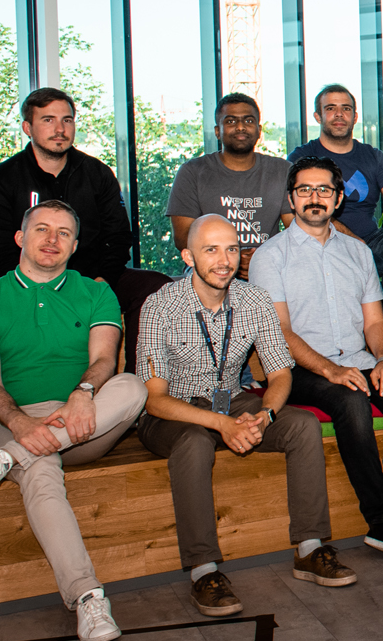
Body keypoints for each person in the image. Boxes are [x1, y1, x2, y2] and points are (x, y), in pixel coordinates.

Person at [136, 214, 354, 618]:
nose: (224, 261)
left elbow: (280, 373)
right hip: (174, 412)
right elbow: (154, 400)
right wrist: (221, 424)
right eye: (211, 250)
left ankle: (309, 548)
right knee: (194, 442)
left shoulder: (253, 300)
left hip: (231, 401)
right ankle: (204, 570)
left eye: (232, 249)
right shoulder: (161, 305)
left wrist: (265, 415)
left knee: (302, 425)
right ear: (188, 256)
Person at [0, 200, 147, 641]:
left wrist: (83, 393)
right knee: (40, 468)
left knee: (133, 386)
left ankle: (6, 461)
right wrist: (20, 423)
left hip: (82, 421)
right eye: (42, 229)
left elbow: (105, 360)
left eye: (64, 233)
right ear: (20, 238)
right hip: (6, 421)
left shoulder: (96, 293)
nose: (52, 239)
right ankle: (87, 598)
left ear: (75, 246)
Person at [250, 157, 383, 563]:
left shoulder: (358, 252)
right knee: (351, 401)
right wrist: (331, 370)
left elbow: (374, 321)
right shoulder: (270, 256)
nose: (314, 198)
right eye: (305, 190)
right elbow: (280, 332)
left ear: (338, 197)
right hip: (298, 368)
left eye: (324, 190)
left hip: (359, 358)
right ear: (291, 198)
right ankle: (381, 519)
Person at [0, 87, 134, 286]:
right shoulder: (0, 181)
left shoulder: (98, 174)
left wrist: (100, 284)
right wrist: (41, 293)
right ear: (27, 128)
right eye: (48, 120)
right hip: (23, 287)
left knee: (151, 284)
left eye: (67, 120)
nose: (60, 129)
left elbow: (118, 238)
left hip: (89, 284)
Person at [166, 93, 292, 276]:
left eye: (248, 121)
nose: (240, 127)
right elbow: (183, 238)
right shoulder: (192, 172)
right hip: (209, 267)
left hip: (270, 264)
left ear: (259, 130)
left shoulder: (283, 170)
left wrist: (263, 259)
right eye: (231, 121)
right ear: (218, 131)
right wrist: (232, 259)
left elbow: (296, 232)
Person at [288, 83, 383, 261]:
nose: (339, 114)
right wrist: (354, 243)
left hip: (371, 243)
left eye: (346, 108)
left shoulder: (373, 157)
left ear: (355, 117)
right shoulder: (301, 158)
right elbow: (301, 210)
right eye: (330, 108)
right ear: (318, 117)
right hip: (321, 241)